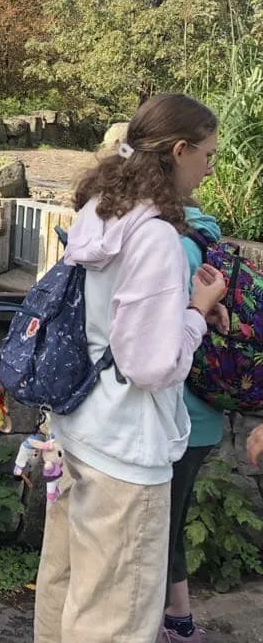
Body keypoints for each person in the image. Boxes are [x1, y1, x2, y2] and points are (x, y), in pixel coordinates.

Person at [33, 93, 229, 643]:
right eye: (208, 155)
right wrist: (197, 311)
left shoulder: (100, 212)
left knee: (66, 591)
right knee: (114, 618)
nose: (211, 167)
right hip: (128, 453)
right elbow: (150, 364)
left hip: (80, 431)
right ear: (180, 150)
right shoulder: (158, 237)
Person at [160, 202, 229, 643]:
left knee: (159, 528)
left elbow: (162, 345)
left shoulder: (174, 248)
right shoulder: (209, 241)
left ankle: (176, 624)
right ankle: (178, 620)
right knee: (169, 522)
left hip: (177, 415)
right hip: (206, 413)